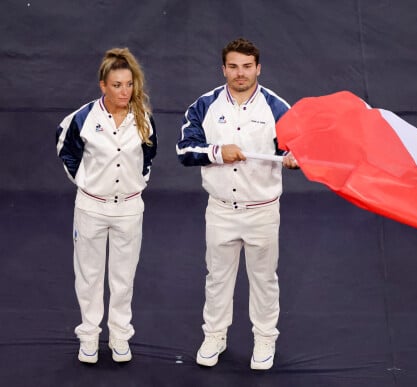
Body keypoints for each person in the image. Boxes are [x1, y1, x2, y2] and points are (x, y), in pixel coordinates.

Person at [176, 37, 298, 370]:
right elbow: (184, 151)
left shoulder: (277, 108)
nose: (240, 73)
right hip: (220, 211)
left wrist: (293, 158)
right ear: (224, 69)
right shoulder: (205, 106)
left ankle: (264, 339)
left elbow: (297, 149)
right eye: (233, 66)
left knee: (263, 278)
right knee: (217, 278)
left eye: (247, 66)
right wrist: (217, 152)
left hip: (262, 210)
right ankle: (215, 335)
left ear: (258, 68)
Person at [56, 48, 157, 364]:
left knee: (123, 277)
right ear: (103, 85)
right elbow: (66, 150)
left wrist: (133, 185)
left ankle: (120, 336)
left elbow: (148, 158)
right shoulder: (83, 118)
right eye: (117, 85)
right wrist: (87, 183)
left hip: (128, 209)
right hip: (92, 208)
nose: (124, 91)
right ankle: (88, 335)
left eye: (128, 84)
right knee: (89, 275)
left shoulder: (144, 119)